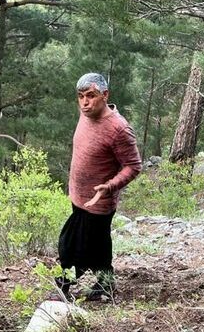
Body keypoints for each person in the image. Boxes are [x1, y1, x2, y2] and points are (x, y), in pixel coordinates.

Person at [58, 72, 142, 302]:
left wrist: (110, 186)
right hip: (78, 196)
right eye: (81, 96)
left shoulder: (119, 129)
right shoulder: (86, 114)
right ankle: (105, 284)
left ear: (105, 95)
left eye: (91, 96)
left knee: (70, 245)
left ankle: (63, 287)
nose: (85, 102)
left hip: (99, 202)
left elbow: (133, 166)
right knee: (98, 246)